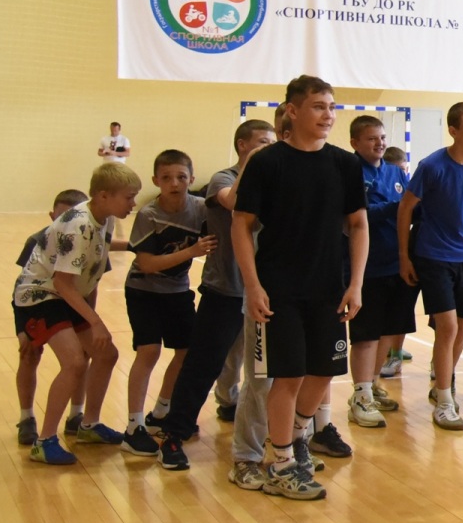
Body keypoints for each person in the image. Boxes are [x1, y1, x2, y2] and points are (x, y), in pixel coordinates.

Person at [232, 76, 368, 498]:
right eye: (318, 107)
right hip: (279, 290)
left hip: (329, 288)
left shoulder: (345, 164)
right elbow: (241, 225)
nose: (328, 115)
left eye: (331, 107)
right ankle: (281, 464)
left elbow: (358, 225)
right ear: (292, 111)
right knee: (287, 376)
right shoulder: (267, 162)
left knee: (324, 371)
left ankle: (293, 440)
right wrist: (253, 285)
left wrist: (356, 283)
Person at [154, 119, 276, 476]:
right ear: (242, 146)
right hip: (225, 290)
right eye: (262, 142)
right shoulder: (224, 178)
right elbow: (235, 202)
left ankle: (277, 438)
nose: (269, 148)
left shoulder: (276, 180)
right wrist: (254, 163)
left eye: (272, 142)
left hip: (264, 293)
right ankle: (174, 435)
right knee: (202, 365)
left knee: (264, 372)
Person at [14, 163, 140, 463]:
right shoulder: (78, 225)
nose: (134, 203)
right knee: (74, 362)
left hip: (65, 296)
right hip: (41, 296)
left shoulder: (105, 218)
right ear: (104, 196)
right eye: (129, 197)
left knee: (106, 355)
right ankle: (44, 441)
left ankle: (89, 426)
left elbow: (100, 251)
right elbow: (62, 283)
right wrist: (95, 322)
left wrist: (138, 246)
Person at [399, 102, 463, 431]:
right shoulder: (432, 166)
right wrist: (404, 256)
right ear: (453, 131)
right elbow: (405, 209)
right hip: (434, 256)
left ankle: (442, 385)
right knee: (448, 327)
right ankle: (444, 402)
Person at [121, 149, 213, 454]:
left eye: (181, 177)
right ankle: (134, 426)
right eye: (167, 178)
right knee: (149, 351)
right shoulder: (149, 214)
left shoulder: (201, 209)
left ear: (192, 179)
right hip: (143, 291)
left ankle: (161, 412)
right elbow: (147, 264)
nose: (174, 183)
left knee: (186, 352)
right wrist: (192, 252)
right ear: (155, 180)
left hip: (177, 292)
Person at [346, 115, 415, 429]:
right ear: (355, 143)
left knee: (390, 329)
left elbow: (410, 207)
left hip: (397, 263)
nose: (379, 143)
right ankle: (360, 396)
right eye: (372, 138)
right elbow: (355, 217)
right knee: (366, 334)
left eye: (383, 137)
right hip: (367, 267)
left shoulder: (396, 172)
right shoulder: (349, 173)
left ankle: (372, 384)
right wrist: (394, 208)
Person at [14, 190, 96, 446]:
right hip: (42, 303)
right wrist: (22, 330)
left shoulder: (90, 236)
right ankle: (26, 418)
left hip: (72, 303)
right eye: (63, 216)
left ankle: (76, 415)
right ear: (52, 216)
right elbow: (24, 284)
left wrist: (90, 321)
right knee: (29, 354)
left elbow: (92, 284)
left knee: (83, 355)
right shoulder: (37, 240)